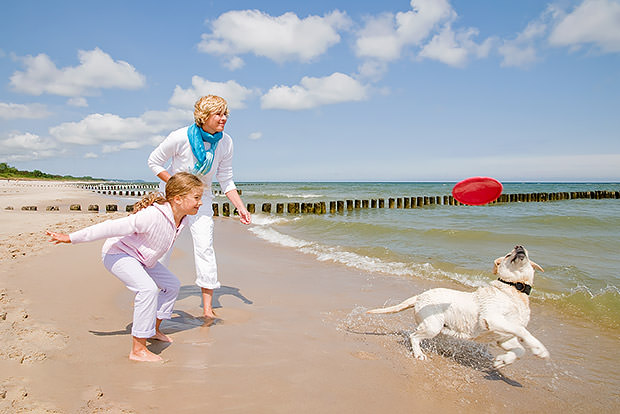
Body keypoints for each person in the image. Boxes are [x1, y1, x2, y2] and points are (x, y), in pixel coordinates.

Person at [47, 172, 204, 362]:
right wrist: (71, 238)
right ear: (178, 199)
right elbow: (109, 227)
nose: (200, 202)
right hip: (119, 254)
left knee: (172, 285)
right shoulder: (152, 216)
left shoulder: (183, 219)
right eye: (196, 198)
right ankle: (138, 350)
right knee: (147, 290)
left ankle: (153, 329)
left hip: (142, 259)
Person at [147, 95, 251, 319]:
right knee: (163, 248)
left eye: (226, 114)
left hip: (201, 201)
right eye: (219, 114)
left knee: (205, 249)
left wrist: (240, 207)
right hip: (173, 201)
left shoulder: (226, 142)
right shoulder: (180, 137)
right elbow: (154, 161)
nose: (224, 118)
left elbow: (226, 178)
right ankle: (152, 297)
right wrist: (177, 186)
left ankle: (207, 308)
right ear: (204, 117)